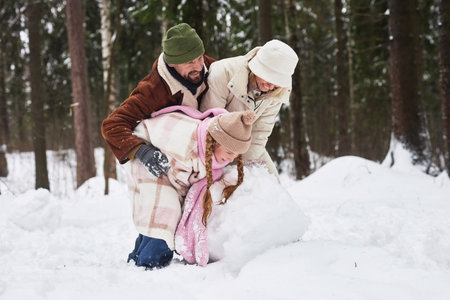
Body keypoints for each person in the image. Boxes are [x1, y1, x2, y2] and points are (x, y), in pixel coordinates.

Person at [125, 105, 256, 269]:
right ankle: (150, 263)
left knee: (163, 212)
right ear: (215, 141)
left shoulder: (211, 153)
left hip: (170, 171)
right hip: (146, 158)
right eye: (229, 153)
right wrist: (142, 151)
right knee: (166, 211)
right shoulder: (185, 141)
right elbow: (144, 131)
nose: (230, 160)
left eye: (236, 156)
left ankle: (137, 256)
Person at [102, 23, 215, 178]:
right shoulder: (153, 90)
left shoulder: (211, 67)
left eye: (199, 58)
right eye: (189, 62)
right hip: (170, 158)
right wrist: (142, 151)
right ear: (172, 63)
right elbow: (112, 125)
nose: (198, 66)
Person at [200, 39, 299, 179]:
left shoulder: (278, 92)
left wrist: (247, 167)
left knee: (272, 183)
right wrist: (225, 162)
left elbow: (260, 132)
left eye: (276, 82)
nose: (270, 86)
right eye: (267, 78)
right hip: (216, 144)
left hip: (246, 144)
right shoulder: (223, 73)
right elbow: (209, 122)